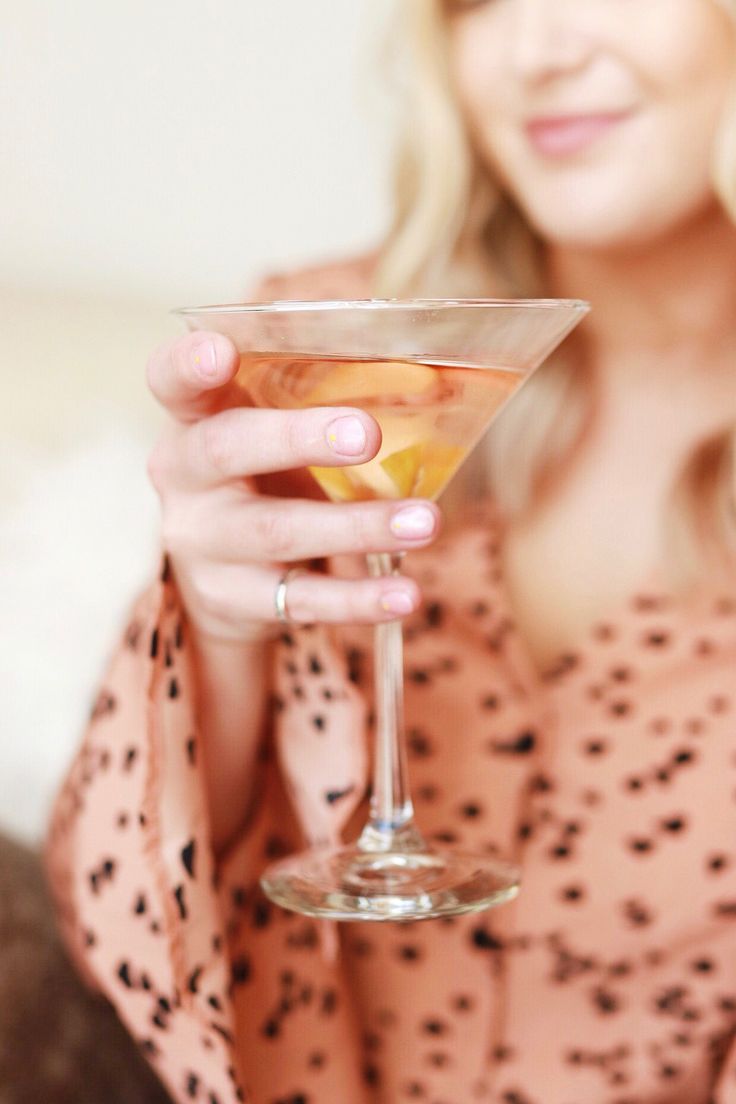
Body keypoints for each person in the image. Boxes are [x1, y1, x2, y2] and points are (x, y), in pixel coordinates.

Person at [46, 1, 736, 1101]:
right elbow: (118, 918)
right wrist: (217, 632)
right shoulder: (320, 350)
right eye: (478, 2)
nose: (537, 50)